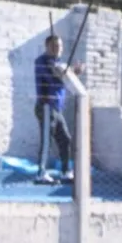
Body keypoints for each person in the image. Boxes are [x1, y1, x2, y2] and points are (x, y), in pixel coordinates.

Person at [34, 35, 81, 184]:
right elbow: (54, 77)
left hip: (56, 108)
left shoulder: (58, 64)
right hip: (46, 106)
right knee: (47, 140)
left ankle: (66, 171)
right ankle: (41, 174)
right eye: (54, 46)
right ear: (47, 46)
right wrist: (69, 72)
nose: (58, 49)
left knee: (65, 139)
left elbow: (63, 77)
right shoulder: (41, 61)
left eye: (60, 46)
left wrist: (72, 72)